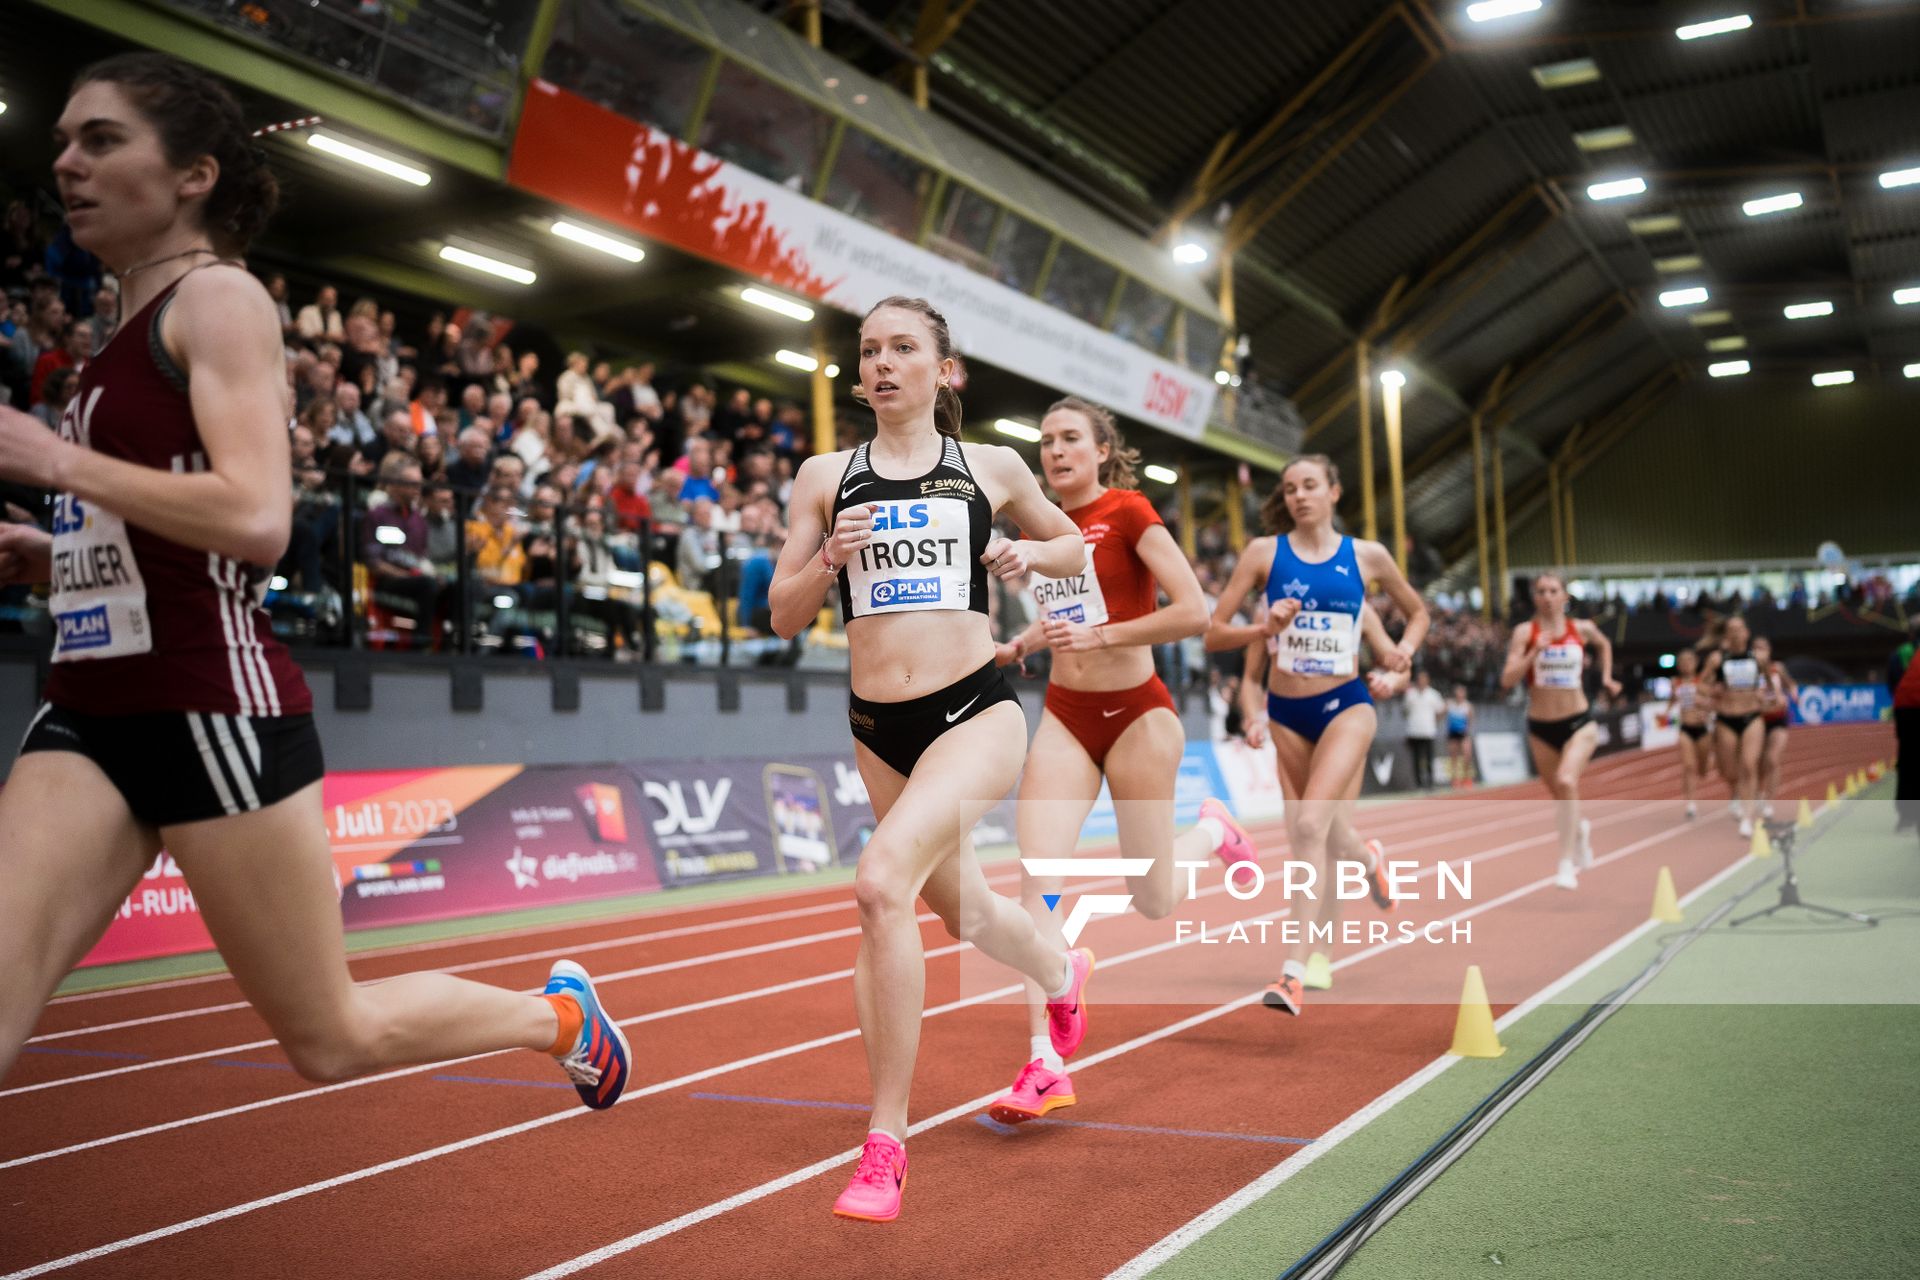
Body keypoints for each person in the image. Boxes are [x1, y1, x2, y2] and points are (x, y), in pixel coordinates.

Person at [0, 53, 630, 1107]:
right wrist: (58, 553)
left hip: (208, 705)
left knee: (330, 1036)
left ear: (193, 174)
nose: (66, 162)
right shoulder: (120, 330)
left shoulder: (219, 299)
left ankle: (557, 1018)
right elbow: (164, 524)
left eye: (101, 140)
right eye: (63, 140)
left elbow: (256, 519)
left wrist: (57, 461)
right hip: (89, 703)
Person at [769, 295, 1091, 1223]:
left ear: (942, 369)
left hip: (974, 713)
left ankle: (885, 1144)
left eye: (903, 347)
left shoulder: (989, 465)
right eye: (869, 349)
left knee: (881, 886)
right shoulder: (824, 476)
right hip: (877, 726)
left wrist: (1027, 556)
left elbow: (1073, 547)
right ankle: (1061, 973)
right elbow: (783, 616)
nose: (881, 363)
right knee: (966, 911)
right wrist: (827, 560)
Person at [985, 396, 1249, 1124]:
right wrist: (1020, 645)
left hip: (1139, 717)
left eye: (1071, 438)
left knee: (1154, 898)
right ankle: (1043, 1062)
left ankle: (1213, 831)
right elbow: (1064, 614)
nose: (1055, 451)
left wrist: (1103, 639)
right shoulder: (1039, 526)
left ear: (1102, 450)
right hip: (1066, 717)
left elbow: (1194, 612)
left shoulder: (1128, 512)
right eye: (1046, 440)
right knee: (1037, 884)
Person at [1206, 454, 1427, 1014]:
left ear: (1334, 491)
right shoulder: (1264, 555)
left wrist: (1400, 661)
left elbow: (1416, 616)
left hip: (1346, 708)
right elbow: (1214, 634)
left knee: (1311, 827)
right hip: (1286, 715)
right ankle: (1368, 859)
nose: (1299, 496)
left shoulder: (1366, 558)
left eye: (1310, 485)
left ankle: (1293, 972)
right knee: (1321, 837)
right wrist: (1264, 635)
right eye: (1290, 488)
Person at [1498, 572, 1620, 888]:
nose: (1547, 597)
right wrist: (1533, 652)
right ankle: (1579, 830)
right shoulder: (1525, 632)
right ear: (1534, 597)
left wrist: (1606, 677)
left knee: (1567, 781)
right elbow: (1507, 679)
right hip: (1540, 726)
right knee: (1560, 797)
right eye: (1541, 591)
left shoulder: (1582, 629)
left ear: (1565, 596)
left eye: (1553, 591)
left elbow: (1604, 644)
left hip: (1579, 721)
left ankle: (1566, 863)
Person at [1700, 615, 1766, 838]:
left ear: (1747, 633)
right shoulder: (1717, 659)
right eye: (1732, 629)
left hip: (1752, 716)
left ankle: (1747, 818)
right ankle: (1736, 792)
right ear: (1727, 635)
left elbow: (1770, 683)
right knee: (1729, 770)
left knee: (1749, 764)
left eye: (1740, 628)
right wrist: (1713, 691)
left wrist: (1768, 694)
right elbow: (1700, 686)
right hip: (1726, 719)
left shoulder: (1758, 657)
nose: (1736, 633)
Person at [1754, 636, 1797, 820]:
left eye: (1763, 647)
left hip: (1778, 719)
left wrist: (1793, 695)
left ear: (1769, 650)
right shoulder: (1749, 672)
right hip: (1757, 720)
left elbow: (1791, 684)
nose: (1760, 651)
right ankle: (1758, 794)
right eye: (1756, 648)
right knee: (1759, 763)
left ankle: (1769, 802)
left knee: (1772, 759)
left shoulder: (1777, 668)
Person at [1669, 648, 1713, 820]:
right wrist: (1665, 713)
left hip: (1702, 729)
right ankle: (1690, 804)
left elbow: (1712, 703)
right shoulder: (1675, 683)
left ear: (1695, 663)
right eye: (1682, 662)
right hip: (1685, 728)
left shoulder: (1701, 682)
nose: (1686, 664)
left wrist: (1704, 708)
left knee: (1703, 770)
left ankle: (1707, 763)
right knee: (1688, 766)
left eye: (1689, 661)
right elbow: (1672, 701)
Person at [1890, 616, 1920, 836]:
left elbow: (1893, 682)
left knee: (1907, 760)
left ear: (1910, 633)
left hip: (1905, 709)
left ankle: (1907, 817)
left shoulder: (1899, 653)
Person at [1402, 669, 1446, 789]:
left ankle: (1430, 782)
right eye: (1419, 679)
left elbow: (1442, 710)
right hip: (1413, 731)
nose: (1421, 681)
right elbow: (1405, 711)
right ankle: (1419, 783)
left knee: (1429, 757)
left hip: (1428, 731)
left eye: (1424, 679)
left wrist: (1435, 721)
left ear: (1428, 680)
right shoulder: (1410, 694)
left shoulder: (1433, 694)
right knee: (1416, 758)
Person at [1444, 681, 1474, 789]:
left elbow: (1470, 720)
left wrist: (1467, 729)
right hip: (1452, 734)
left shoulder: (1467, 705)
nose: (1460, 694)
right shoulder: (1449, 704)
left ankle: (1466, 778)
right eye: (1458, 692)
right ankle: (1455, 780)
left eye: (1462, 692)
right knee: (1453, 757)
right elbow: (1442, 715)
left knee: (1467, 755)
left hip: (1463, 734)